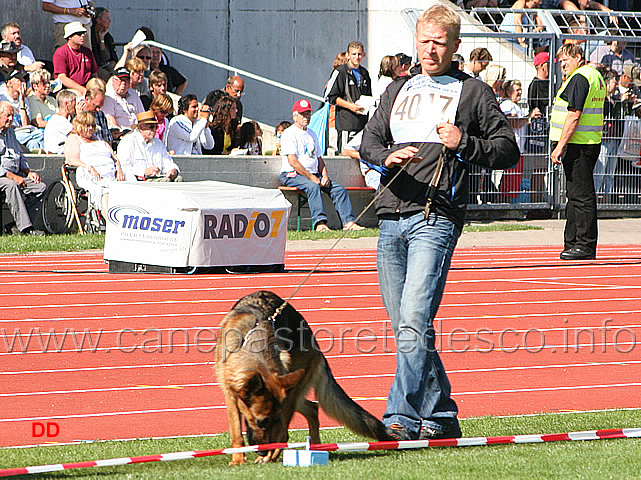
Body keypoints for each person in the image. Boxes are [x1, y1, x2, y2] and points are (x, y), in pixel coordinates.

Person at [359, 5, 518, 441]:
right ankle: (442, 413)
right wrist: (383, 156)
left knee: (413, 317)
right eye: (424, 41)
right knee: (409, 325)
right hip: (390, 220)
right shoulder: (397, 89)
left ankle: (401, 418)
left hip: (436, 219)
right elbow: (369, 140)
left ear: (455, 47)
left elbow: (507, 149)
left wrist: (464, 142)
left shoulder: (473, 93)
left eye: (439, 43)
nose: (430, 49)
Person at [550, 43, 605, 260]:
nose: (563, 64)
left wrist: (559, 146)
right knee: (575, 195)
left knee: (581, 196)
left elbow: (574, 115)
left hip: (578, 143)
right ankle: (573, 242)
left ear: (578, 58)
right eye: (560, 60)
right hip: (587, 141)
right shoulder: (594, 75)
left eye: (566, 59)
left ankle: (584, 244)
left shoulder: (580, 77)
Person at [280, 99, 364, 232]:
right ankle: (320, 224)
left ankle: (349, 222)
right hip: (293, 174)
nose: (306, 117)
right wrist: (311, 177)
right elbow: (293, 162)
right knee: (313, 187)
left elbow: (319, 159)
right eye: (303, 114)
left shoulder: (312, 133)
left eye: (308, 113)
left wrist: (324, 174)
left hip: (314, 174)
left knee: (339, 190)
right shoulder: (289, 133)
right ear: (295, 116)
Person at [64, 111, 126, 215]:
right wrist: (90, 168)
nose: (91, 129)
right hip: (91, 174)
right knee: (106, 192)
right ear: (79, 126)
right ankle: (110, 222)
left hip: (111, 173)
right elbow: (71, 160)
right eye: (87, 126)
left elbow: (114, 157)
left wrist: (119, 168)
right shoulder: (74, 139)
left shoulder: (98, 139)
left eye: (92, 126)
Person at [0, 101, 46, 235]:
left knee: (40, 187)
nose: (10, 119)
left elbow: (19, 155)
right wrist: (14, 177)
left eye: (12, 116)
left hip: (17, 174)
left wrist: (28, 172)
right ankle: (26, 229)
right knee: (11, 185)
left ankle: (16, 226)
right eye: (7, 116)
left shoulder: (11, 133)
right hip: (3, 177)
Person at [327, 41, 372, 152]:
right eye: (354, 54)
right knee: (346, 156)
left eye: (359, 54)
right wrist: (350, 106)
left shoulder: (364, 73)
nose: (357, 57)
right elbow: (329, 97)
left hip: (362, 123)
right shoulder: (340, 72)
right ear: (348, 55)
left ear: (364, 55)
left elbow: (368, 96)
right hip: (346, 124)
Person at [117, 111, 181, 182]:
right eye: (151, 127)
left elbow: (168, 162)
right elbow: (124, 168)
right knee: (165, 181)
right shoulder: (128, 141)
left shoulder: (158, 143)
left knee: (178, 179)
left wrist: (173, 170)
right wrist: (144, 171)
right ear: (141, 128)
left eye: (156, 127)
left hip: (158, 177)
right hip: (140, 181)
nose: (154, 130)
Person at [594, 70, 623, 202]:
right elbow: (608, 114)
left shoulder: (614, 99)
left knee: (610, 173)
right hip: (604, 139)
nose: (616, 85)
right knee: (599, 172)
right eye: (614, 82)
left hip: (613, 139)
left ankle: (607, 200)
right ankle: (595, 200)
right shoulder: (602, 100)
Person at [526, 51, 551, 203]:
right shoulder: (535, 85)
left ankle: (540, 200)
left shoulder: (548, 84)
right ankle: (535, 201)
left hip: (546, 131)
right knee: (538, 170)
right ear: (542, 66)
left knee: (542, 171)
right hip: (538, 133)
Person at [0, 71, 45, 150]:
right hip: (9, 133)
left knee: (33, 143)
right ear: (9, 83)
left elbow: (25, 125)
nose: (23, 83)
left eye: (23, 80)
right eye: (19, 80)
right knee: (39, 134)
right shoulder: (3, 98)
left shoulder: (24, 100)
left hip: (23, 133)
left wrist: (22, 102)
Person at [52, 21, 98, 96]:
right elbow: (62, 78)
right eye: (79, 34)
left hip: (88, 86)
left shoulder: (87, 51)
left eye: (84, 33)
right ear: (70, 36)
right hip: (69, 89)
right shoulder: (61, 52)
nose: (82, 36)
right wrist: (82, 90)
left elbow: (94, 74)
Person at [44, 89, 76, 154]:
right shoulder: (59, 121)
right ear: (66, 104)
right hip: (57, 155)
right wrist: (80, 115)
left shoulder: (61, 119)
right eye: (74, 104)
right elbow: (80, 134)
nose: (75, 107)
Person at [90, 7, 118, 81]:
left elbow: (108, 58)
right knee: (104, 74)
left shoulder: (108, 37)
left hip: (107, 65)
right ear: (98, 20)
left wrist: (102, 39)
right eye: (107, 18)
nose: (110, 21)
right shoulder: (89, 35)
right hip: (95, 67)